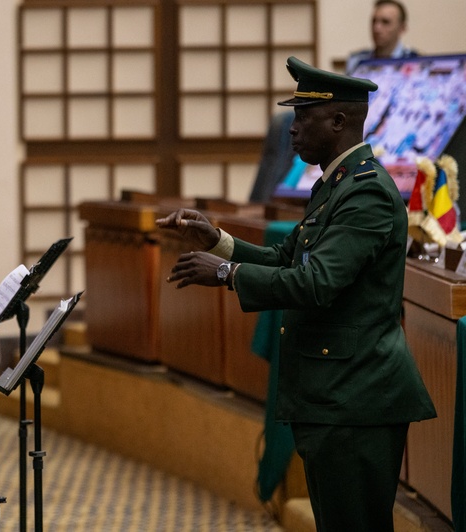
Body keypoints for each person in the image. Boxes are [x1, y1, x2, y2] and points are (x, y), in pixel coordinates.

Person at [159, 57, 436, 531]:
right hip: (336, 397)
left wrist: (226, 272)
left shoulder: (364, 194)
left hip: (357, 400)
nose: (291, 129)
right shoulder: (334, 187)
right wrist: (217, 241)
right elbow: (290, 258)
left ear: (338, 121)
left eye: (302, 116)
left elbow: (315, 283)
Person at [346, 0, 418, 74]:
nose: (377, 28)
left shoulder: (416, 62)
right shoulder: (357, 61)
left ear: (402, 28)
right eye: (374, 21)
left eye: (385, 22)